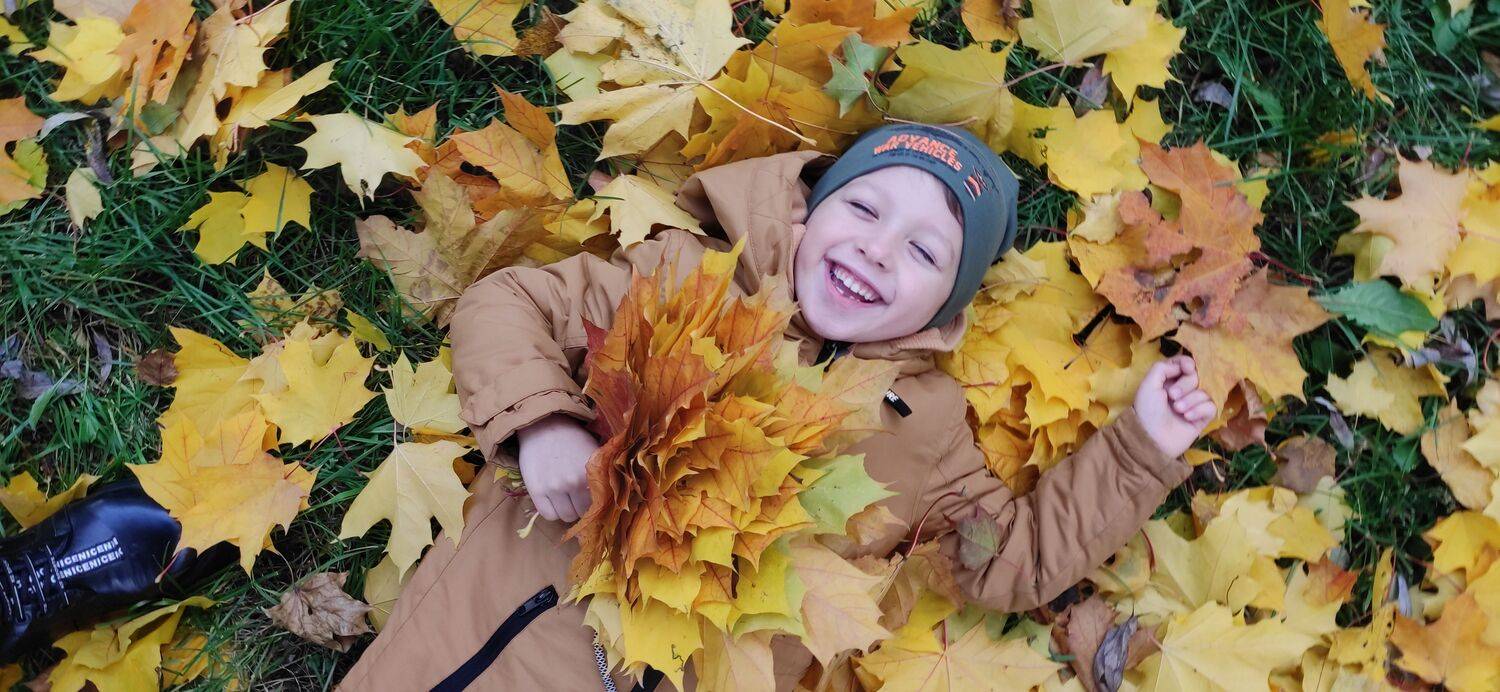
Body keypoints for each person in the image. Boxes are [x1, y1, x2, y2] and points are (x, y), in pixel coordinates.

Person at [338, 123, 1216, 691]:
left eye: (924, 253)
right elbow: (509, 303)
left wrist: (1140, 447)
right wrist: (545, 423)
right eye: (863, 207)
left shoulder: (926, 432)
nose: (877, 250)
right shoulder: (684, 279)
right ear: (808, 210)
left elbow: (1009, 561)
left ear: (946, 311)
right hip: (476, 635)